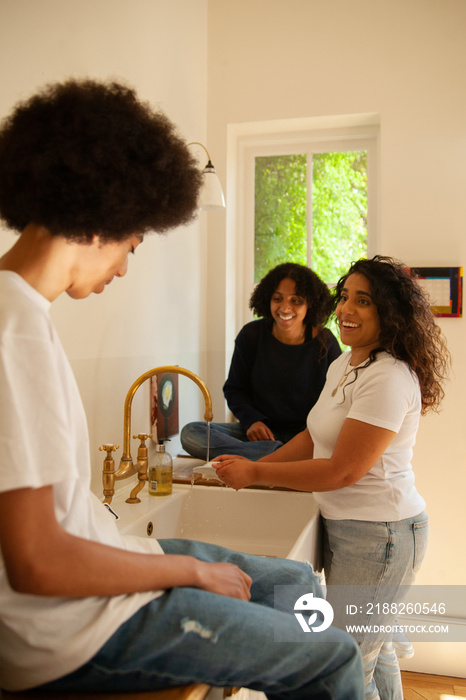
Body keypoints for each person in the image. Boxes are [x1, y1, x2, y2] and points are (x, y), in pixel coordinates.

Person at [0, 79, 364, 698]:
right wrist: (190, 570)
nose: (122, 267)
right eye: (133, 244)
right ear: (102, 212)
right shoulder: (14, 330)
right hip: (77, 631)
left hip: (94, 578)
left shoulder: (22, 315)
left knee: (290, 583)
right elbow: (38, 562)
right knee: (333, 656)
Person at [214, 256, 450, 700]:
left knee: (344, 666)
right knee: (371, 653)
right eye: (345, 297)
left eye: (364, 301)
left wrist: (258, 470)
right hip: (353, 530)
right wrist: (262, 474)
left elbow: (343, 469)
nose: (347, 309)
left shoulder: (388, 377)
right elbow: (312, 434)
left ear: (389, 313)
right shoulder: (346, 365)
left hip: (381, 536)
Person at [181, 262, 341, 460]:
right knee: (192, 434)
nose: (285, 307)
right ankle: (281, 457)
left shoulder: (325, 343)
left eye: (296, 300)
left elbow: (335, 400)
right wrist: (252, 421)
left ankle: (273, 457)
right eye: (277, 299)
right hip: (259, 437)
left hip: (306, 436)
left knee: (334, 443)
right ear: (268, 300)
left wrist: (307, 434)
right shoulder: (251, 335)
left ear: (310, 304)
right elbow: (234, 389)